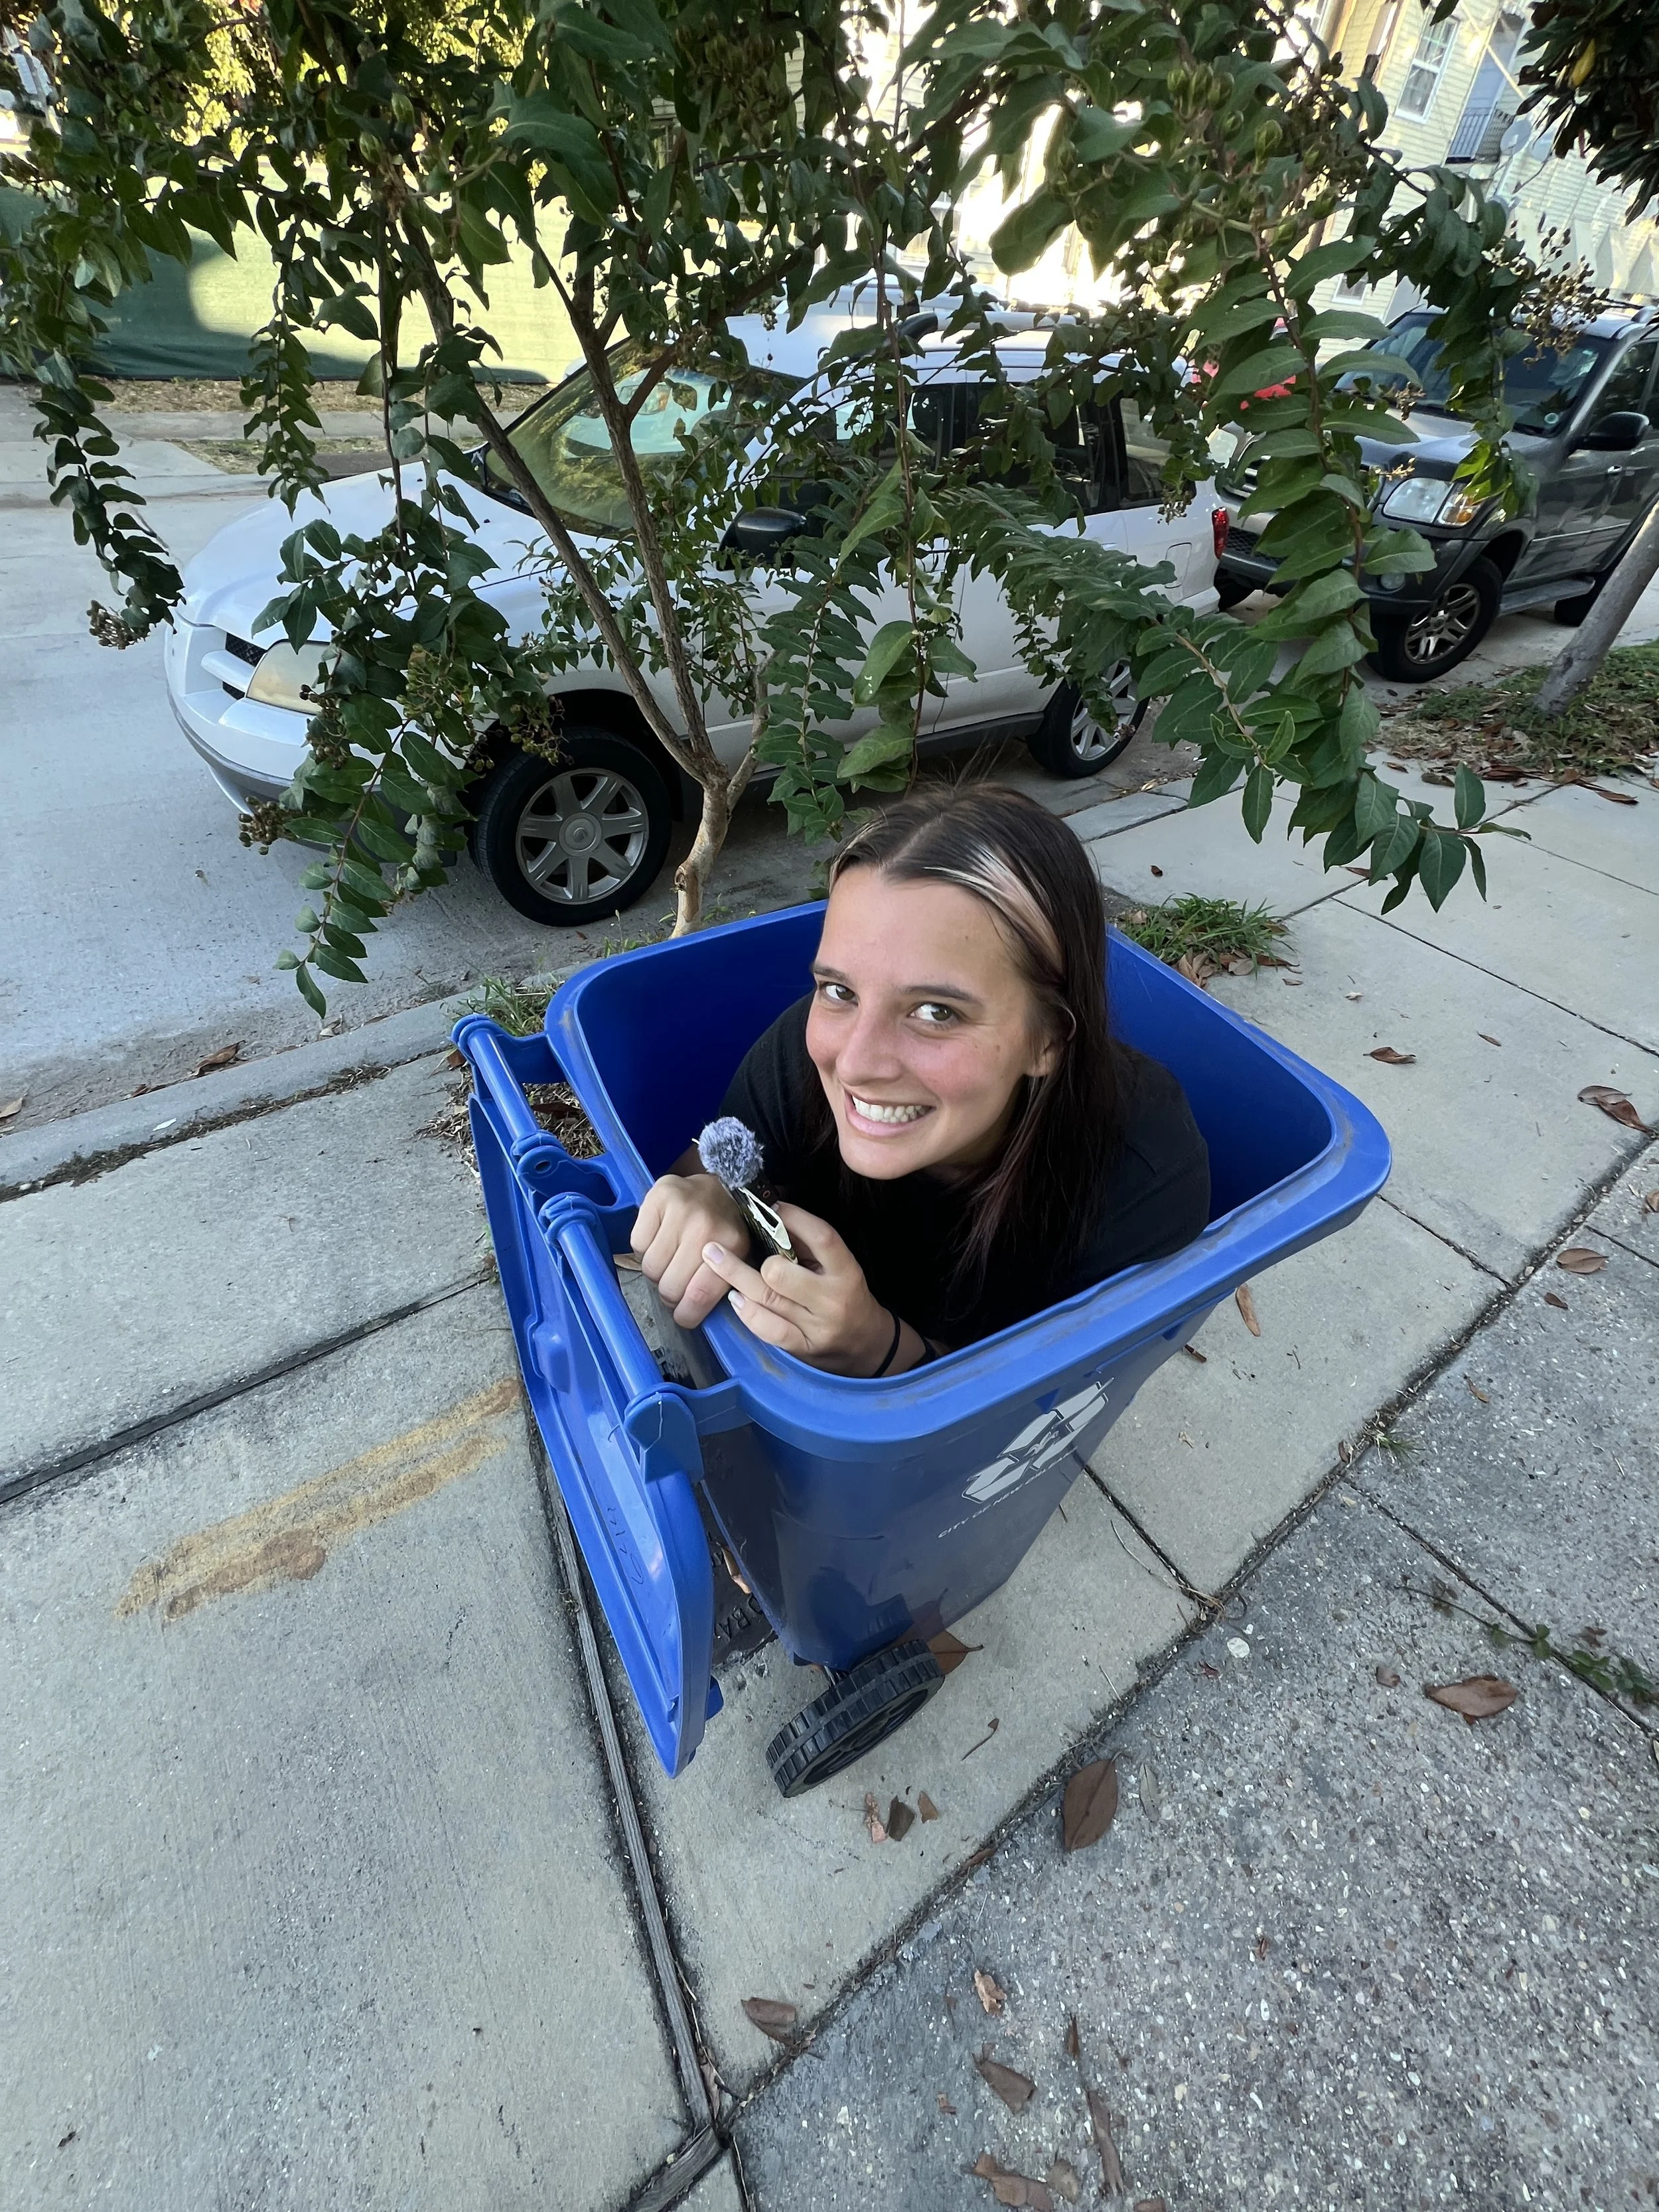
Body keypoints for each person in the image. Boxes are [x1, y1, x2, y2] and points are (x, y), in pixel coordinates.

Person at [630, 785, 1210, 1375]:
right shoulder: (803, 1051)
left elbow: (1043, 1402)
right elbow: (703, 1167)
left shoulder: (1144, 1176)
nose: (855, 1063)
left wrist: (879, 1351)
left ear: (1049, 1041)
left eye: (936, 1011)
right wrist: (709, 1203)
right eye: (840, 989)